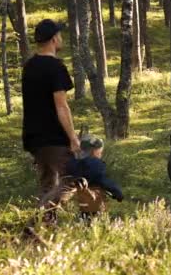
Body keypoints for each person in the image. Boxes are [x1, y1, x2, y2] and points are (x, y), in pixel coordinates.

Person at [21, 19, 79, 226]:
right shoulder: (56, 67)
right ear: (54, 39)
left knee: (47, 185)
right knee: (72, 179)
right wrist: (72, 137)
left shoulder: (29, 66)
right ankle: (34, 224)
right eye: (59, 35)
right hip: (53, 135)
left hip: (33, 136)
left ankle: (43, 232)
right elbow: (61, 106)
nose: (61, 38)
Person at [65, 134, 124, 222]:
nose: (100, 155)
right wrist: (117, 192)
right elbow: (102, 180)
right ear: (94, 151)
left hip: (80, 199)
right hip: (94, 200)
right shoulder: (96, 164)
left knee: (84, 217)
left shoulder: (73, 163)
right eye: (100, 152)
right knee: (96, 220)